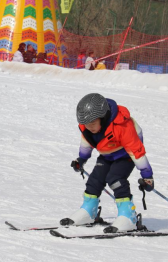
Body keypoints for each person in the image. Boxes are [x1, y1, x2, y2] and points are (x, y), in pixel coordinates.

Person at [63, 93, 154, 233]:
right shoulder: (87, 127)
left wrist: (147, 175)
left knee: (115, 179)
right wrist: (81, 159)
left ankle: (128, 216)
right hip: (107, 154)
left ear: (103, 118)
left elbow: (136, 151)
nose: (89, 127)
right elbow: (87, 143)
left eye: (93, 124)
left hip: (126, 154)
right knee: (95, 179)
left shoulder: (122, 126)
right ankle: (88, 211)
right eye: (86, 124)